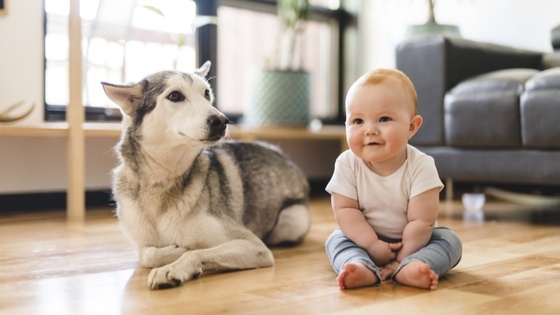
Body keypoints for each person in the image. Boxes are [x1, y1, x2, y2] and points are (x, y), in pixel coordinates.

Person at [325, 68, 462, 290]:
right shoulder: (347, 163)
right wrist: (371, 244)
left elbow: (421, 221)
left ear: (412, 126)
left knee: (450, 241)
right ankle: (359, 265)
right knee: (336, 240)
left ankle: (412, 266)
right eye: (358, 121)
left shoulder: (421, 165)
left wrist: (400, 258)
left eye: (384, 119)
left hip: (416, 242)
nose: (369, 130)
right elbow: (345, 211)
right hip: (362, 239)